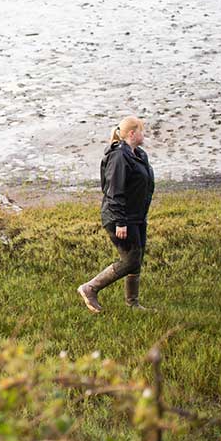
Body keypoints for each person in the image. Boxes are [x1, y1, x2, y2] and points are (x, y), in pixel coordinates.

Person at [78, 116, 155, 312]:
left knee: (136, 258)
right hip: (119, 218)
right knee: (130, 260)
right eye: (142, 131)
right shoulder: (119, 157)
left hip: (136, 217)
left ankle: (133, 304)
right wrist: (121, 222)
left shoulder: (138, 154)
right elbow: (114, 191)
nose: (144, 134)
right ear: (132, 133)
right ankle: (90, 288)